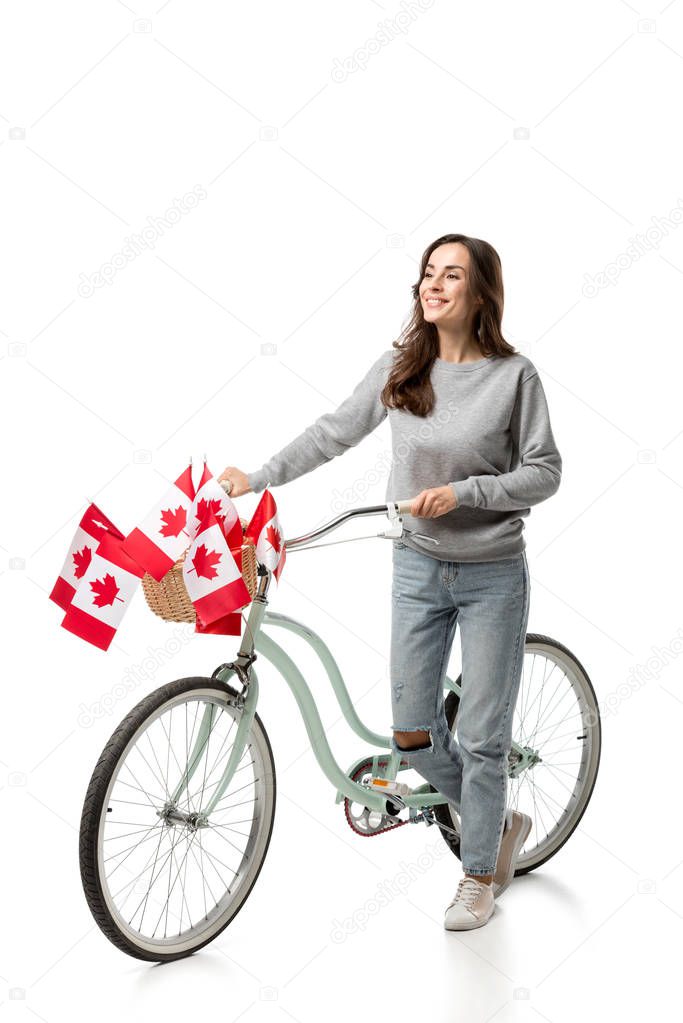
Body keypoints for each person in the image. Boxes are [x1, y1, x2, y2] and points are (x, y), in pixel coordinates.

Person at [219, 232, 562, 931]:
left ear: (480, 294)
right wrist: (254, 477)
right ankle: (497, 820)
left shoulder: (513, 376)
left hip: (492, 573)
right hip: (416, 567)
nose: (433, 285)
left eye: (452, 276)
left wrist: (465, 491)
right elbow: (331, 433)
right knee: (411, 732)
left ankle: (476, 876)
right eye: (427, 274)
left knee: (484, 740)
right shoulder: (402, 366)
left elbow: (544, 470)